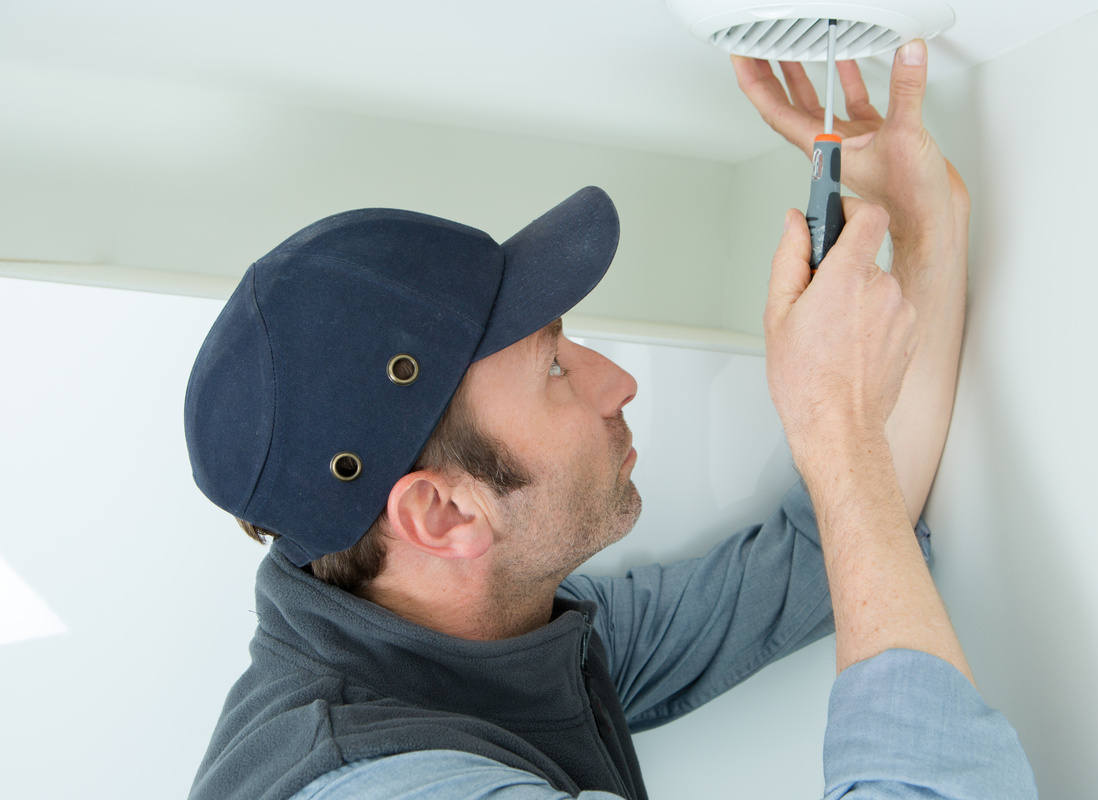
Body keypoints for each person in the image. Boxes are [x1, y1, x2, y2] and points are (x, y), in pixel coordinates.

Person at [184, 41, 1036, 799]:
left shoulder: (506, 629)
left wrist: (926, 226)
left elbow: (833, 550)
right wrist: (835, 431)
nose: (618, 381)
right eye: (554, 367)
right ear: (442, 513)